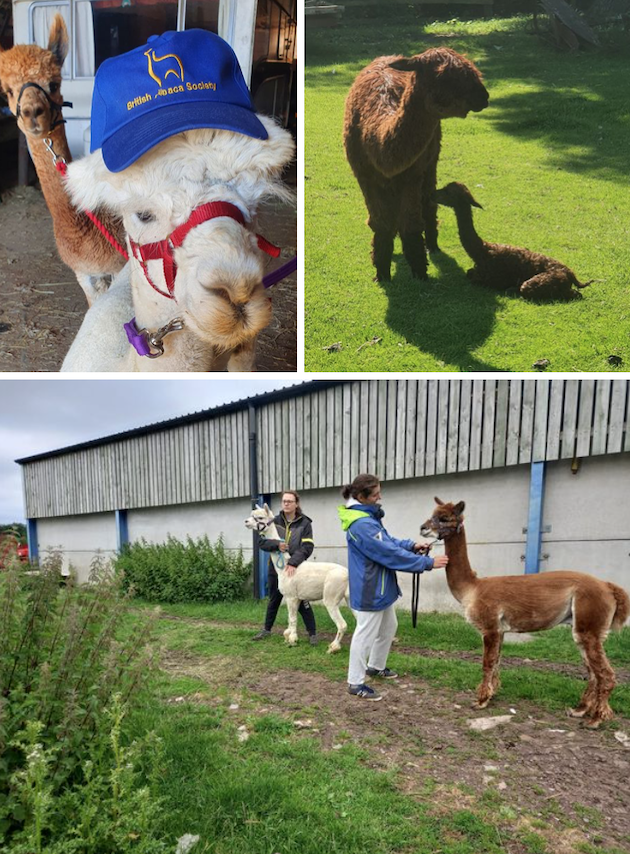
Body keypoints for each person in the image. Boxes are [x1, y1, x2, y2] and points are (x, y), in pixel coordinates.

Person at [338, 474, 448, 701]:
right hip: (371, 587)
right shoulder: (361, 524)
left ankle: (375, 667)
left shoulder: (367, 517)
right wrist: (427, 563)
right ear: (361, 496)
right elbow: (387, 553)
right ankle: (355, 682)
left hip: (380, 584)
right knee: (365, 634)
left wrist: (411, 545)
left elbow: (387, 541)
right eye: (376, 494)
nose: (380, 497)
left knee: (389, 626)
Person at [252, 490, 318, 645]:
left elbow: (308, 546)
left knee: (302, 601)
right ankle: (266, 630)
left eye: (290, 501)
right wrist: (277, 545)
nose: (286, 503)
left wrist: (293, 562)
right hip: (276, 569)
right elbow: (261, 543)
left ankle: (313, 634)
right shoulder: (273, 521)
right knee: (274, 599)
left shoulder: (305, 523)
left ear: (296, 504)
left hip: (296, 569)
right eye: (284, 501)